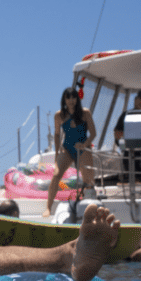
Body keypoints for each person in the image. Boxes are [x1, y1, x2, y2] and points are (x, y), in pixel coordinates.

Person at [42, 87, 97, 218]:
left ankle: (89, 207)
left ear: (77, 99)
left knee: (88, 179)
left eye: (74, 97)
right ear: (64, 100)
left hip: (83, 149)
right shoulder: (59, 115)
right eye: (68, 98)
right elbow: (56, 135)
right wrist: (56, 152)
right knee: (56, 175)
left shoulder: (85, 113)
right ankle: (48, 208)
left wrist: (84, 145)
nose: (71, 100)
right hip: (67, 149)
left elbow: (93, 133)